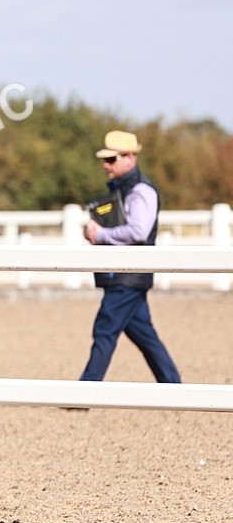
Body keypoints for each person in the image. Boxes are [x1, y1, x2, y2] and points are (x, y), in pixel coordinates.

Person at [79, 130, 181, 384]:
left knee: (105, 329)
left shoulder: (141, 191)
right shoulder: (126, 190)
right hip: (128, 275)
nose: (106, 165)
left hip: (129, 276)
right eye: (106, 159)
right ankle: (173, 385)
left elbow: (138, 231)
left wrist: (101, 234)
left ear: (130, 158)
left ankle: (84, 391)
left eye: (111, 159)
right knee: (144, 335)